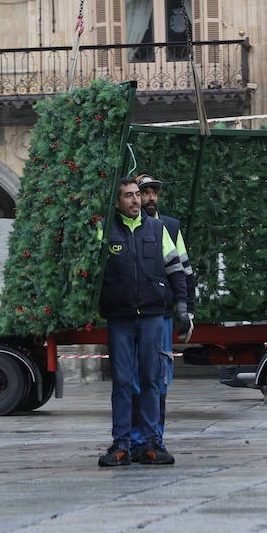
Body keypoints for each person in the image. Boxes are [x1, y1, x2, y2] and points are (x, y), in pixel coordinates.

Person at [98, 176, 189, 467]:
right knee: (123, 382)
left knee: (151, 380)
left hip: (152, 315)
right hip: (120, 318)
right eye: (129, 195)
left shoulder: (157, 228)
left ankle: (151, 444)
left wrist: (183, 306)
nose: (136, 200)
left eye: (137, 195)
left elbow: (176, 269)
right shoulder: (104, 231)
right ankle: (122, 444)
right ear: (117, 201)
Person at [130, 173, 194, 457]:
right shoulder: (123, 228)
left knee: (158, 378)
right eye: (145, 193)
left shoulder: (169, 226)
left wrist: (186, 309)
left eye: (154, 192)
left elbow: (184, 271)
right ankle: (133, 440)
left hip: (161, 315)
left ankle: (154, 438)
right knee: (131, 378)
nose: (151, 198)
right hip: (131, 315)